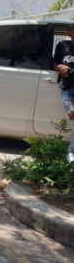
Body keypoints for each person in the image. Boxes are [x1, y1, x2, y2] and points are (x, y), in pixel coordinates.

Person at [53, 24, 74, 162]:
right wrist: (60, 67)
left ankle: (71, 152)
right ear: (70, 33)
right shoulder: (62, 45)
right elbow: (54, 63)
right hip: (66, 87)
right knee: (72, 116)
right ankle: (71, 153)